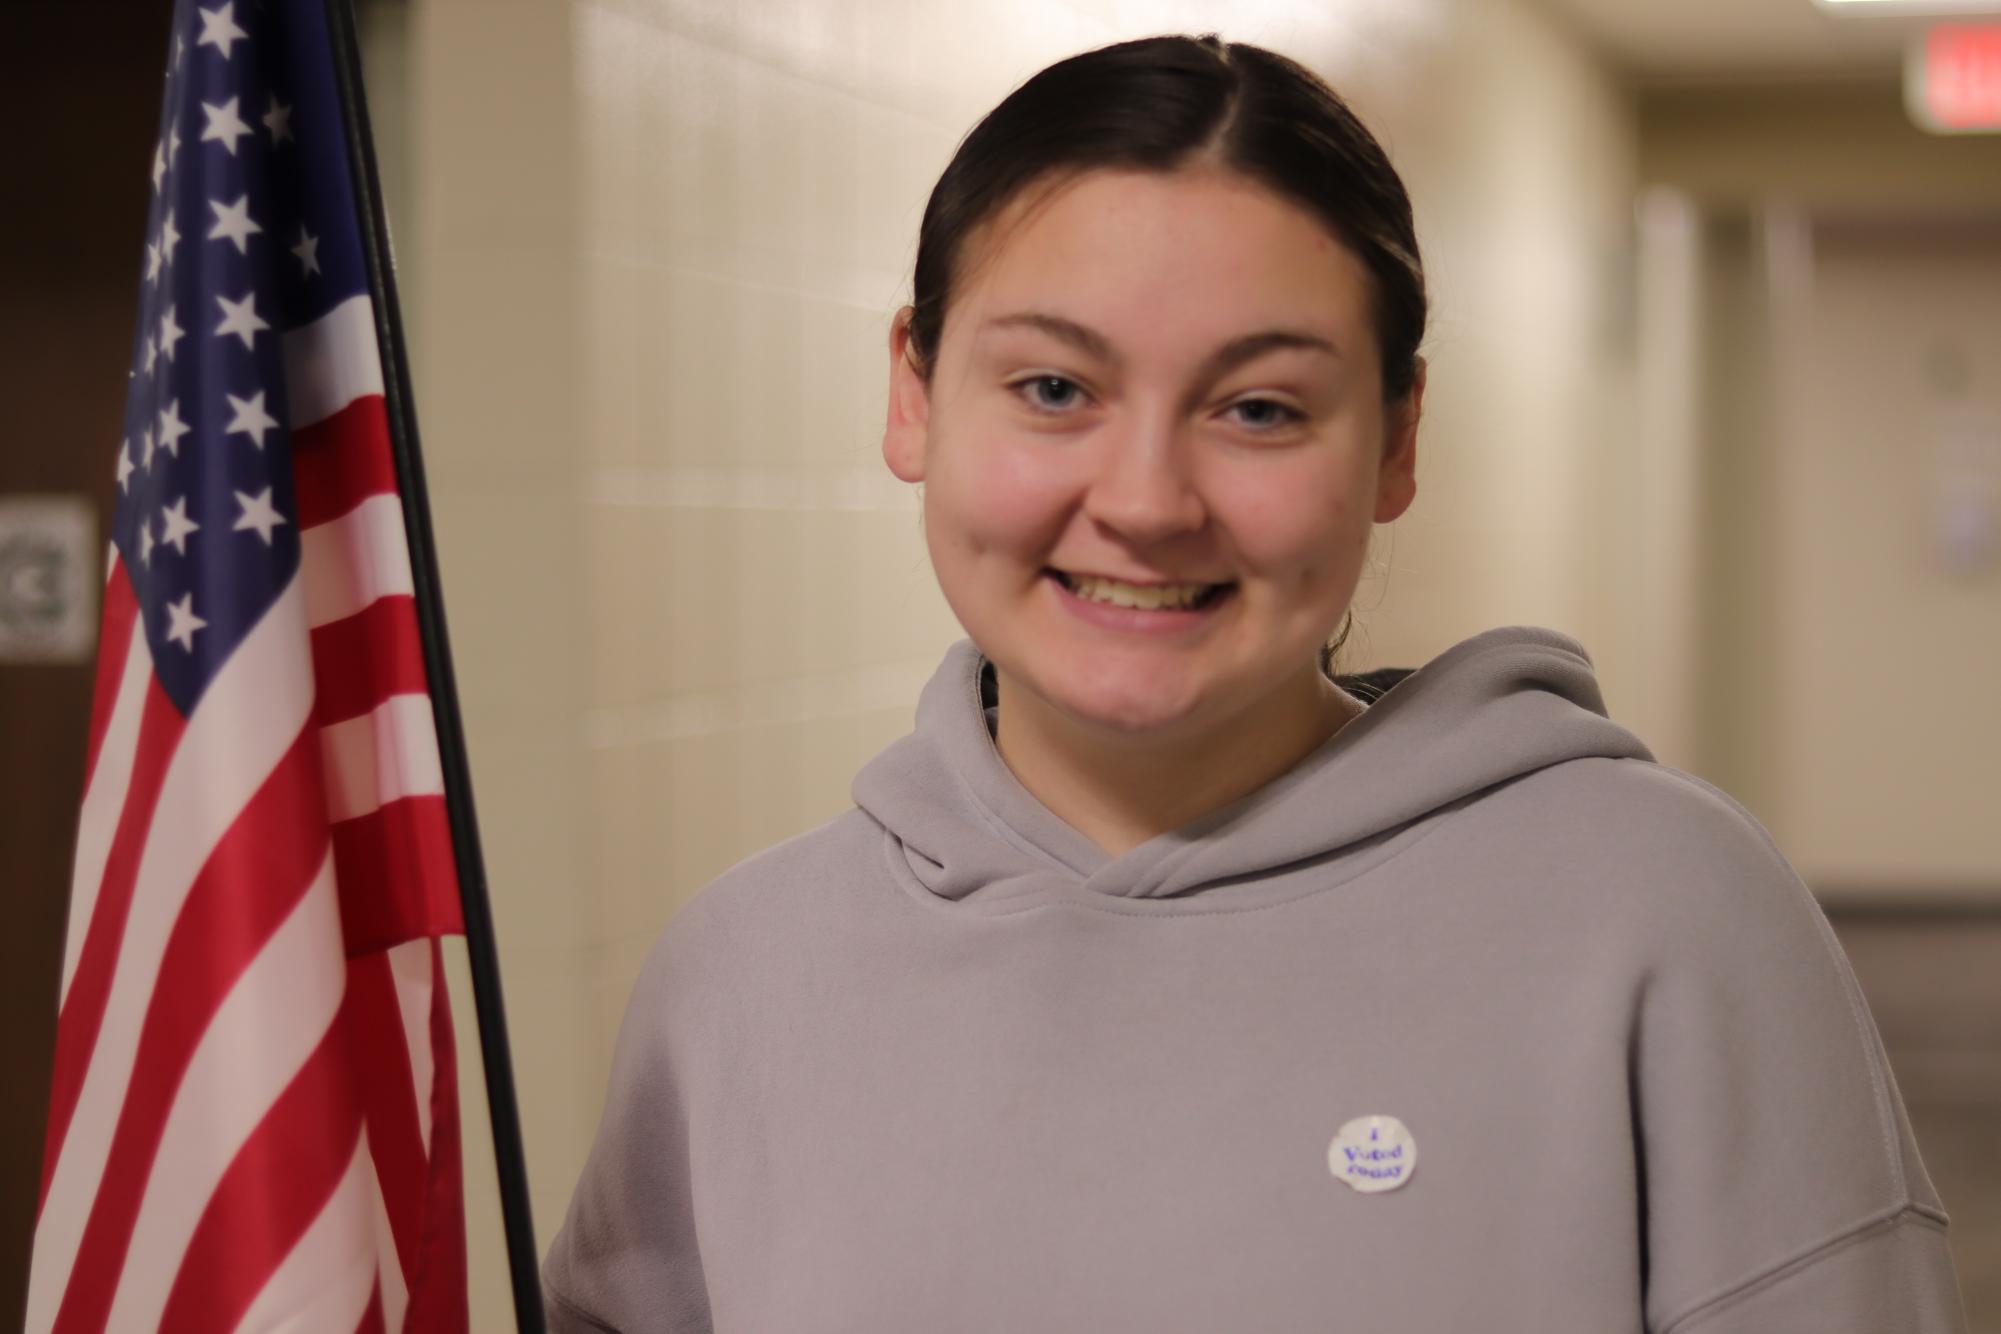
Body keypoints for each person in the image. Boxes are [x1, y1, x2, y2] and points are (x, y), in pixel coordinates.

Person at [542, 34, 1969, 1332]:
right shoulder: (741, 976)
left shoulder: (1663, 915)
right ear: (913, 391)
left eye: (1258, 408)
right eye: (1053, 389)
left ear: (1396, 441)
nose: (1148, 499)